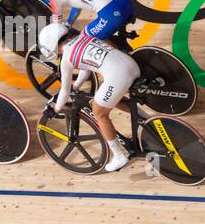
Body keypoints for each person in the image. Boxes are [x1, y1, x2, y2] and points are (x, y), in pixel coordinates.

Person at [39, 22, 137, 172]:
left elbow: (64, 92)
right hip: (131, 64)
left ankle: (118, 156)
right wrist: (76, 87)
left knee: (98, 111)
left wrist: (55, 109)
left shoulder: (66, 58)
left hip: (118, 74)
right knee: (109, 99)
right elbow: (87, 69)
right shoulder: (83, 37)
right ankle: (146, 120)